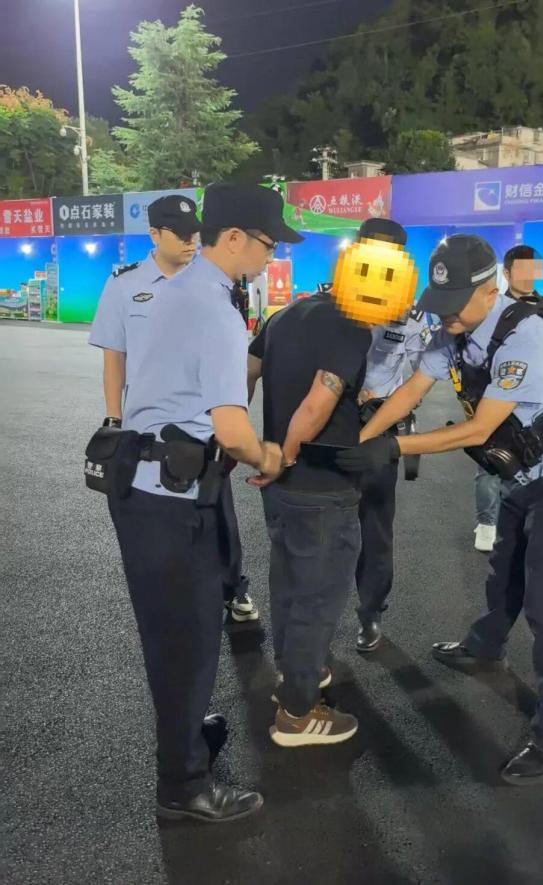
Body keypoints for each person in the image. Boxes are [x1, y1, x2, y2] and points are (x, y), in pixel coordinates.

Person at [336, 233, 543, 785]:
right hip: (519, 468)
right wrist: (361, 439)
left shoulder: (526, 337)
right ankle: (486, 646)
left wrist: (392, 447)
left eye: (456, 302)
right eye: (440, 303)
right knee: (503, 566)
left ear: (490, 290)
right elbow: (411, 390)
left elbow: (478, 429)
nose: (446, 316)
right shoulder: (453, 329)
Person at [88, 183, 300, 822]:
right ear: (233, 237)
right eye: (267, 244)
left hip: (149, 487)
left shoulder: (173, 291)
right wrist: (270, 458)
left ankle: (185, 734)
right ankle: (183, 786)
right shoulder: (214, 308)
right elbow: (232, 429)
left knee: (175, 631)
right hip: (170, 499)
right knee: (187, 638)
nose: (270, 256)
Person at [89, 194, 259, 625]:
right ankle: (179, 606)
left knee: (220, 513)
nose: (190, 241)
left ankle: (232, 587)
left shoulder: (213, 284)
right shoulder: (124, 285)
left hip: (209, 426)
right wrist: (113, 419)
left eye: (195, 233)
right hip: (153, 433)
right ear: (154, 234)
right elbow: (115, 357)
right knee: (162, 520)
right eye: (180, 234)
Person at [247, 263, 373, 747]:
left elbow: (247, 371)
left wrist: (255, 446)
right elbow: (319, 402)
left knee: (288, 584)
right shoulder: (351, 326)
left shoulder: (286, 314)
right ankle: (298, 712)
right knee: (317, 598)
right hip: (321, 482)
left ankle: (296, 670)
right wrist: (287, 454)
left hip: (281, 484)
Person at [352, 218, 431, 653]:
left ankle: (370, 612)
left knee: (375, 527)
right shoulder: (331, 302)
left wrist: (386, 403)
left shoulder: (412, 317)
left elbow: (418, 378)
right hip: (329, 424)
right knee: (322, 523)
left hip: (380, 426)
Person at [474, 244, 543, 552]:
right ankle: (486, 524)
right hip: (496, 395)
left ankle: (524, 526)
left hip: (538, 402)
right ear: (506, 273)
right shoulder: (493, 309)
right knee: (489, 463)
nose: (529, 276)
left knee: (534, 465)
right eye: (522, 270)